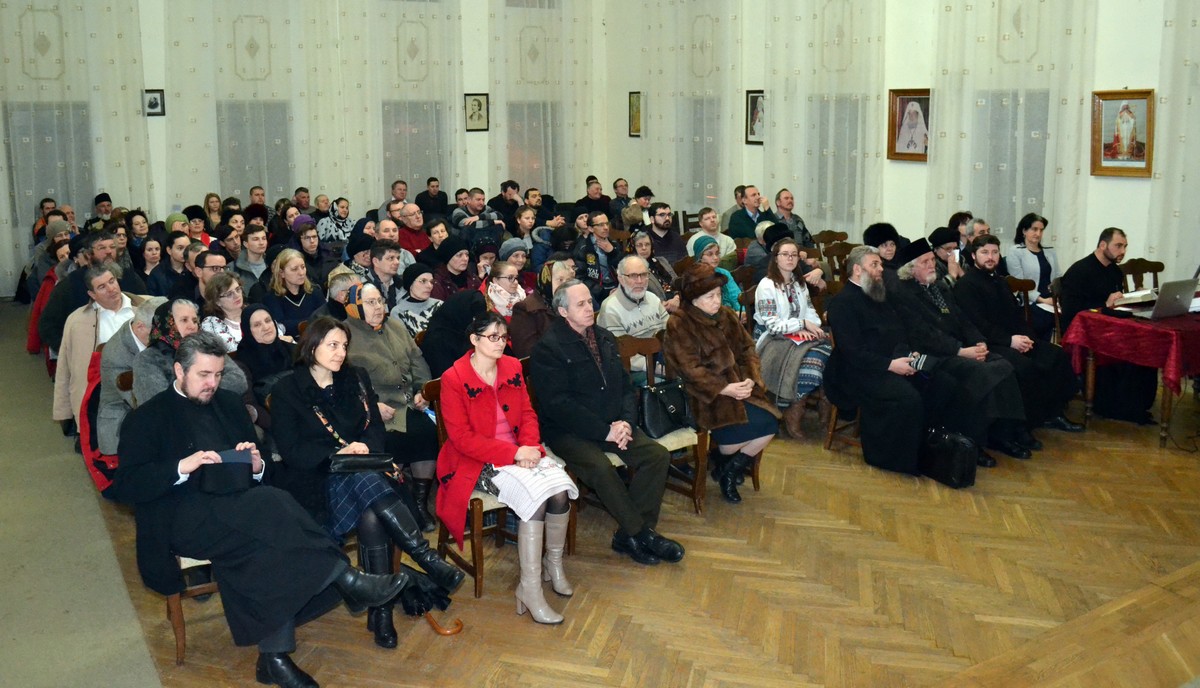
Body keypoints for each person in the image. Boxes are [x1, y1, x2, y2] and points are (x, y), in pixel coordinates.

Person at [111, 332, 415, 686]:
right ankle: (344, 577)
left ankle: (274, 656)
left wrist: (255, 465)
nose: (213, 384)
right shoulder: (147, 417)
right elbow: (127, 486)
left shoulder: (228, 404)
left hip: (240, 507)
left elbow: (265, 472)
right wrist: (181, 467)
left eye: (218, 375)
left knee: (266, 541)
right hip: (183, 516)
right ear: (179, 370)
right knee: (271, 505)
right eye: (204, 375)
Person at [269, 318, 465, 648]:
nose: (341, 352)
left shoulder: (355, 377)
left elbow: (375, 427)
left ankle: (382, 611)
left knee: (371, 510)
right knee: (367, 487)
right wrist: (339, 452)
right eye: (333, 345)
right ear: (311, 346)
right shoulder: (288, 389)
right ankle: (425, 560)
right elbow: (292, 450)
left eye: (344, 346)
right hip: (318, 480)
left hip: (367, 473)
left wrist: (364, 450)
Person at [435, 313, 578, 624]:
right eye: (493, 337)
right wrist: (515, 453)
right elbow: (461, 438)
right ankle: (529, 588)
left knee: (560, 491)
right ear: (474, 340)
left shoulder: (512, 366)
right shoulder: (454, 378)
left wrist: (529, 448)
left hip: (520, 451)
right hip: (476, 461)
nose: (501, 343)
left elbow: (527, 413)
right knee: (538, 498)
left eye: (503, 337)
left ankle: (552, 565)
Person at [529, 280, 684, 566]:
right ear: (563, 311)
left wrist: (625, 422)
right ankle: (642, 534)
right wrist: (605, 431)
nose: (590, 308)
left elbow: (625, 387)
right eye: (581, 304)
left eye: (590, 301)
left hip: (613, 423)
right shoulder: (548, 349)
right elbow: (558, 405)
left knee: (656, 456)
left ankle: (630, 534)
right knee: (600, 468)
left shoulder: (604, 337)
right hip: (569, 431)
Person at [891, 239, 1034, 462]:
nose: (932, 265)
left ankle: (1004, 433)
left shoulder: (938, 287)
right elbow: (923, 334)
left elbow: (962, 319)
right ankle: (971, 441)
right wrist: (960, 351)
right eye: (925, 262)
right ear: (910, 269)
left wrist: (978, 341)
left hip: (960, 348)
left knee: (1005, 365)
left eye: (931, 260)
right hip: (935, 355)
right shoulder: (903, 294)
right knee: (983, 374)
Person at [665, 265, 781, 503]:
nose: (717, 301)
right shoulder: (680, 323)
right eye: (710, 297)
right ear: (694, 298)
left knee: (770, 423)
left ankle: (727, 470)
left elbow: (748, 349)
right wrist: (723, 388)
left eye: (719, 294)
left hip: (739, 386)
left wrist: (750, 377)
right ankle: (724, 460)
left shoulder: (727, 316)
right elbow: (689, 370)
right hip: (703, 394)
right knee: (734, 435)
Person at [954, 235, 1084, 435]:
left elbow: (1016, 315)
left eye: (995, 252)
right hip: (991, 343)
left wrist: (1027, 338)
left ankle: (1053, 414)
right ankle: (1024, 425)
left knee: (1055, 355)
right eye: (985, 252)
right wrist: (1010, 341)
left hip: (1015, 339)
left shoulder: (1001, 281)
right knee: (1024, 367)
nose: (990, 257)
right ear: (973, 256)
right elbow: (978, 324)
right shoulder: (967, 285)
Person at [342, 284, 441, 531]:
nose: (379, 307)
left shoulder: (395, 326)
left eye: (380, 301)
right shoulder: (345, 335)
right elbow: (342, 381)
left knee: (428, 434)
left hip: (407, 404)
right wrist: (372, 406)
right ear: (355, 307)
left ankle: (418, 502)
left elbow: (416, 359)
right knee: (386, 441)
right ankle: (395, 505)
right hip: (373, 410)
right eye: (371, 303)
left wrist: (422, 390)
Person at [1059, 227, 1158, 423]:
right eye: (1118, 246)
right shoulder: (1080, 271)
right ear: (1103, 245)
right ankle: (1117, 406)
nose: (1123, 251)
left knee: (1145, 346)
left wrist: (1136, 297)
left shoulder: (1114, 271)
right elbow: (1071, 310)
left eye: (1125, 246)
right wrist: (1104, 305)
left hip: (1109, 327)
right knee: (1128, 350)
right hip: (1084, 334)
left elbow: (1115, 304)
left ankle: (1137, 405)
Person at [752, 238, 832, 438]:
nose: (790, 258)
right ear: (775, 258)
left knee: (831, 349)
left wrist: (815, 327)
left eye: (794, 254)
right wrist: (801, 325)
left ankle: (825, 400)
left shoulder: (798, 283)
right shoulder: (767, 285)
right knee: (812, 362)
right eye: (784, 254)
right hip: (772, 338)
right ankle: (792, 411)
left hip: (796, 334)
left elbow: (809, 310)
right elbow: (772, 326)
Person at [52, 265, 144, 432]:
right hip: (100, 394)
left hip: (140, 388)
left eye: (112, 281)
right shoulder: (77, 321)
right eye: (102, 287)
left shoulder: (143, 310)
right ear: (92, 295)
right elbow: (65, 367)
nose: (111, 289)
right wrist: (63, 410)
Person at [133, 299, 248, 406]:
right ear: (167, 323)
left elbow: (238, 380)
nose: (192, 326)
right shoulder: (148, 359)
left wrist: (202, 392)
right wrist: (204, 391)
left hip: (215, 410)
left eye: (194, 321)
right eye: (184, 320)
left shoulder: (207, 347)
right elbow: (160, 402)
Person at [1007, 213, 1060, 341]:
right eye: (1034, 229)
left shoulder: (1050, 251)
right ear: (1024, 231)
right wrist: (1042, 300)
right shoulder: (1016, 251)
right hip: (1030, 302)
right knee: (1045, 319)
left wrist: (1057, 298)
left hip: (1051, 300)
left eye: (1041, 230)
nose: (1038, 233)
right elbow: (1019, 284)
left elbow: (1058, 276)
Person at [509, 257, 575, 359]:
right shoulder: (525, 309)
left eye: (568, 281)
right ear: (546, 281)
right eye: (560, 280)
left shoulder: (570, 303)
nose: (564, 286)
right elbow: (526, 353)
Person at [419, 290, 488, 378]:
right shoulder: (437, 340)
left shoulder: (465, 331)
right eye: (474, 318)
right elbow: (447, 377)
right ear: (462, 312)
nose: (476, 323)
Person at [264, 248, 327, 336]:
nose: (301, 273)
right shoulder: (271, 298)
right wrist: (311, 322)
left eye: (303, 267)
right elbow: (280, 326)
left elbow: (326, 319)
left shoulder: (315, 292)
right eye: (294, 269)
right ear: (282, 273)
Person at [627, 230, 679, 310]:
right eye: (639, 245)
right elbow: (636, 297)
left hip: (676, 303)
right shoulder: (631, 270)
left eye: (647, 244)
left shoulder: (661, 261)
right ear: (633, 247)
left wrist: (677, 298)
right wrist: (661, 305)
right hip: (654, 310)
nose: (644, 248)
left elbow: (677, 282)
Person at [200, 272, 251, 352]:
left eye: (238, 289)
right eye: (229, 294)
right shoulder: (211, 324)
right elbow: (233, 351)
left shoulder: (255, 312)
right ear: (217, 301)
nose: (237, 295)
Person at [390, 263, 443, 338]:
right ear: (410, 284)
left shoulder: (439, 305)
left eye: (431, 282)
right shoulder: (398, 312)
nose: (429, 286)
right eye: (423, 281)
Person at [692, 235, 742, 314]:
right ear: (700, 257)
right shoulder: (695, 277)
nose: (715, 258)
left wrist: (741, 311)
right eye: (710, 254)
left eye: (717, 253)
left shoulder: (724, 273)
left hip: (731, 314)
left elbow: (737, 296)